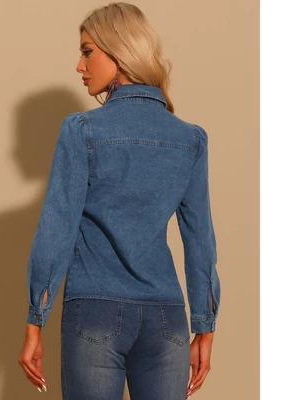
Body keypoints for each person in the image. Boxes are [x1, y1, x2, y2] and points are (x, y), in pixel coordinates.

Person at [18, 2, 221, 399]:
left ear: (120, 50)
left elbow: (56, 232)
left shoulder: (81, 130)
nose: (79, 65)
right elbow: (201, 242)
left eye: (87, 51)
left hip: (95, 313)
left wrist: (34, 321)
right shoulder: (191, 139)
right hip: (167, 320)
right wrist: (205, 326)